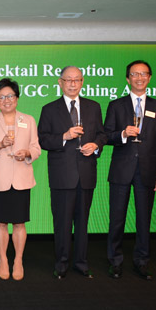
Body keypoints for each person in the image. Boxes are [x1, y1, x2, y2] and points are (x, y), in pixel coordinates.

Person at [38, 66, 106, 279]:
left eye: (77, 80)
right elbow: (43, 140)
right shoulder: (49, 109)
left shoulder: (94, 107)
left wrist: (95, 145)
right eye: (68, 80)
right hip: (62, 176)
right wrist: (64, 136)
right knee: (62, 223)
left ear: (82, 82)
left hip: (86, 173)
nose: (72, 84)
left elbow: (102, 135)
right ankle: (61, 263)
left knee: (83, 222)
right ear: (60, 82)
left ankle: (82, 262)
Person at [104, 60, 156, 281]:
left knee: (144, 219)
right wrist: (122, 133)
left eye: (143, 74)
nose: (139, 78)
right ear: (127, 78)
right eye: (134, 74)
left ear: (149, 78)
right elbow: (106, 135)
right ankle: (115, 261)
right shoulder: (116, 105)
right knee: (116, 219)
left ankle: (142, 261)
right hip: (122, 169)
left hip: (148, 171)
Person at [0, 78, 41, 281]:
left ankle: (17, 259)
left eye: (10, 96)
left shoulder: (29, 119)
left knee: (19, 223)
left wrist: (27, 153)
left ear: (17, 98)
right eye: (1, 97)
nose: (6, 100)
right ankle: (3, 259)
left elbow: (36, 147)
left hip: (21, 178)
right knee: (0, 222)